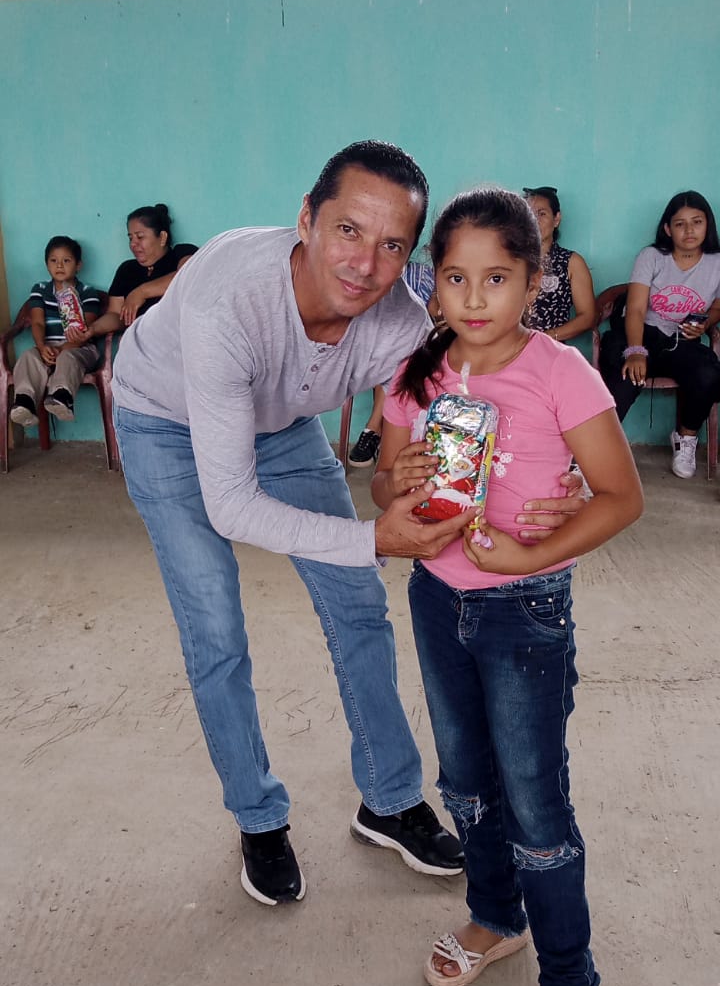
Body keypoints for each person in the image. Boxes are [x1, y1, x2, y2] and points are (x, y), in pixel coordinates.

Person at [111, 143, 585, 910]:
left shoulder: (399, 327)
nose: (366, 264)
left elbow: (486, 396)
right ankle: (259, 817)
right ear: (307, 217)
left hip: (282, 423)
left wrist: (564, 479)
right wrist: (374, 538)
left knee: (359, 604)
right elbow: (232, 505)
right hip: (164, 420)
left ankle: (389, 800)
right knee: (215, 629)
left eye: (393, 244)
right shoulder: (228, 299)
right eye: (348, 231)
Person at [373, 187, 643, 986]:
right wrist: (401, 483)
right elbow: (385, 485)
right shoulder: (417, 371)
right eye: (455, 277)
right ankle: (495, 916)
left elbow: (621, 496)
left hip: (524, 611)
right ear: (433, 284)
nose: (475, 297)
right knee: (463, 781)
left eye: (497, 278)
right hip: (436, 597)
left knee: (534, 801)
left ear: (534, 283)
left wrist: (533, 552)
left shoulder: (560, 373)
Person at [599, 190, 720, 479]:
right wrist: (635, 351)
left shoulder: (717, 263)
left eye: (697, 222)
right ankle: (598, 453)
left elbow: (717, 306)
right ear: (667, 229)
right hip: (641, 334)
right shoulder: (652, 256)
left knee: (708, 374)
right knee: (625, 376)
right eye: (680, 224)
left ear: (707, 225)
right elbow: (636, 309)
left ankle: (685, 438)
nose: (689, 230)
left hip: (682, 341)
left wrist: (705, 323)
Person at [348, 258, 440, 468]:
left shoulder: (424, 275)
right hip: (386, 350)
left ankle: (373, 429)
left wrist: (438, 293)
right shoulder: (372, 275)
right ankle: (375, 431)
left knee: (401, 361)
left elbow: (436, 314)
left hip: (421, 347)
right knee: (394, 359)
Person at [71, 203, 198, 346]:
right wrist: (93, 329)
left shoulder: (182, 253)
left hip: (179, 341)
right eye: (130, 238)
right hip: (141, 344)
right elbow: (116, 314)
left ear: (162, 237)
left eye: (140, 237)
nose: (133, 244)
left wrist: (141, 292)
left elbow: (188, 276)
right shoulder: (127, 270)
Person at [10, 236, 102, 426]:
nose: (59, 265)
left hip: (80, 347)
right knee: (28, 356)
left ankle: (62, 398)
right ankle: (25, 402)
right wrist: (42, 347)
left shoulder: (87, 292)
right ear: (47, 265)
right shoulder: (40, 289)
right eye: (53, 260)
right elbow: (37, 323)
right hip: (48, 347)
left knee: (67, 357)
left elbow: (85, 330)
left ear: (78, 265)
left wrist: (62, 349)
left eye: (66, 260)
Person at [522, 186, 596, 341]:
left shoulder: (571, 262)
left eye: (542, 213)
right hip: (509, 348)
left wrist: (545, 338)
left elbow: (587, 317)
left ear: (556, 219)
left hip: (550, 348)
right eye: (529, 214)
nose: (535, 220)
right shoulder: (512, 260)